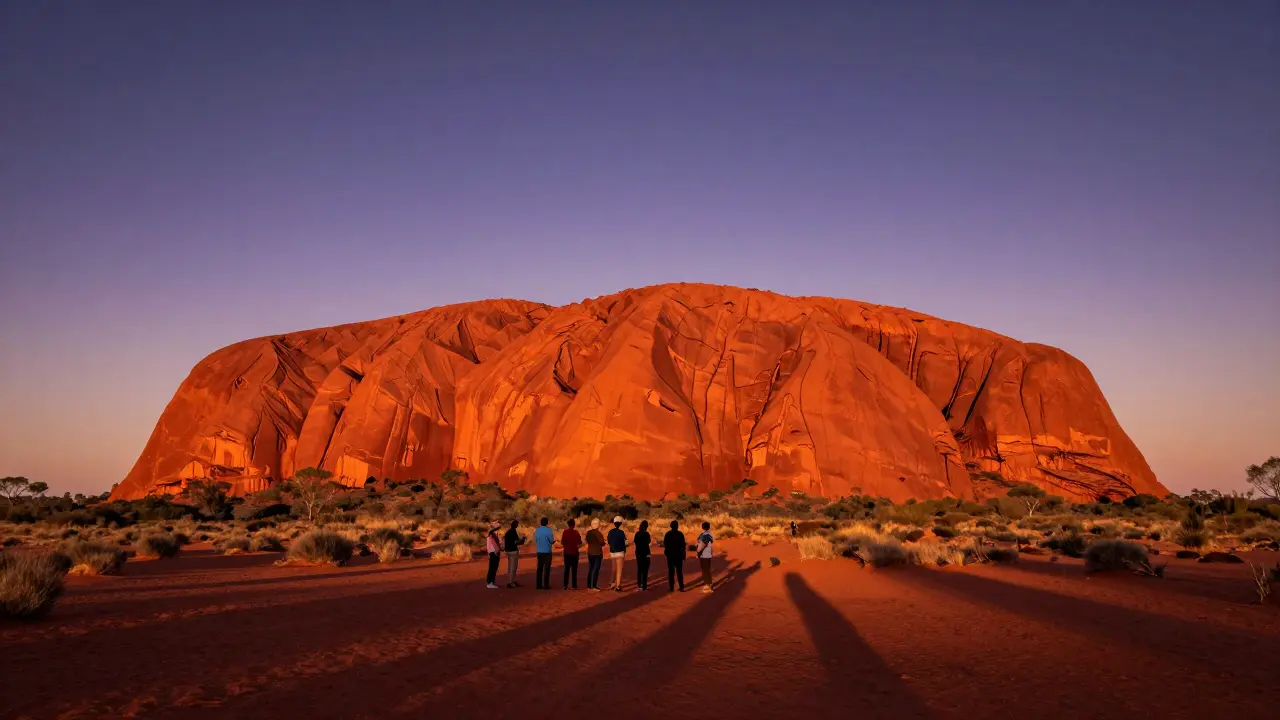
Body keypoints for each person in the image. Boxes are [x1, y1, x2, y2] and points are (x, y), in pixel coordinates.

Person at [663, 520, 686, 592]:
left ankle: (671, 587)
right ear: (677, 526)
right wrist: (683, 554)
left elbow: (665, 544)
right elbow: (683, 545)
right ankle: (681, 586)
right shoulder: (680, 534)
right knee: (679, 571)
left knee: (671, 572)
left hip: (670, 556)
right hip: (678, 555)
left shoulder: (668, 534)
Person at [607, 516, 627, 591]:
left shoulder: (611, 532)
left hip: (613, 552)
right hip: (620, 552)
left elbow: (609, 541)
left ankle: (611, 582)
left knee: (613, 568)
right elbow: (625, 542)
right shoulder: (622, 532)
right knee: (619, 570)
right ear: (620, 524)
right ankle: (618, 586)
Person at [585, 518, 605, 592]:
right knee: (595, 570)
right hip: (597, 553)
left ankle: (589, 586)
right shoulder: (598, 533)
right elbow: (602, 543)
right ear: (598, 525)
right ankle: (593, 586)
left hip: (590, 552)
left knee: (590, 569)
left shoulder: (589, 532)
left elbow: (587, 540)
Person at [534, 517, 555, 590]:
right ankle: (546, 585)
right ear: (547, 522)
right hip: (547, 552)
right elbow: (552, 541)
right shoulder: (549, 530)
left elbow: (536, 539)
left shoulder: (537, 530)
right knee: (547, 569)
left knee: (539, 569)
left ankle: (538, 585)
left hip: (539, 551)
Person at [561, 518, 582, 589]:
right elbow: (580, 542)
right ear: (574, 524)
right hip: (574, 553)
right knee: (574, 570)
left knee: (566, 569)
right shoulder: (576, 532)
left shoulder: (565, 532)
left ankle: (565, 585)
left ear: (568, 524)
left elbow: (562, 542)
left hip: (567, 553)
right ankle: (574, 585)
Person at [503, 519, 524, 588]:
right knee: (513, 567)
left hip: (508, 551)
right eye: (517, 524)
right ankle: (511, 582)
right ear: (516, 525)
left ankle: (511, 581)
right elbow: (516, 542)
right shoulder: (513, 532)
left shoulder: (508, 532)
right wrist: (523, 540)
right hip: (513, 551)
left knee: (510, 566)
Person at [695, 521, 715, 593]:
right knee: (707, 570)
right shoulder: (709, 534)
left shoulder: (704, 535)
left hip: (704, 555)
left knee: (705, 570)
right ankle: (708, 584)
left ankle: (707, 587)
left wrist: (698, 552)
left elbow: (702, 544)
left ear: (702, 527)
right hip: (708, 554)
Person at [633, 520, 652, 591]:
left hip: (638, 553)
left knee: (640, 569)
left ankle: (639, 585)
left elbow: (635, 541)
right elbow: (649, 542)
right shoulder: (647, 534)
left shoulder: (637, 534)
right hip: (646, 553)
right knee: (645, 570)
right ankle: (644, 586)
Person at [484, 520, 502, 589]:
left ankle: (491, 582)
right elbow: (494, 545)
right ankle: (490, 582)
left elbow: (500, 542)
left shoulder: (496, 533)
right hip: (494, 553)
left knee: (494, 568)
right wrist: (497, 550)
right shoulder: (491, 534)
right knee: (492, 568)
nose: (498, 524)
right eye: (496, 523)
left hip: (495, 553)